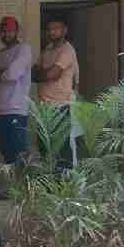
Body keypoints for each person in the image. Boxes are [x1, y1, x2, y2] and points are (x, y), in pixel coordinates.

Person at [0, 15, 32, 165]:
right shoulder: (0, 54)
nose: (6, 34)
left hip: (17, 110)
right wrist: (4, 72)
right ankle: (12, 181)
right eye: (3, 31)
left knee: (18, 154)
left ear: (17, 32)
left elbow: (12, 74)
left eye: (10, 31)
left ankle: (22, 181)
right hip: (0, 111)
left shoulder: (23, 49)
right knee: (6, 153)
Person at [32, 19, 80, 170]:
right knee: (45, 147)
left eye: (56, 28)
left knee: (61, 149)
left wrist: (44, 73)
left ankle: (66, 181)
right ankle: (51, 180)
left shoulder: (67, 50)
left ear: (64, 30)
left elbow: (52, 74)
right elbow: (33, 73)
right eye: (49, 29)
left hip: (60, 107)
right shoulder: (47, 49)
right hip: (44, 107)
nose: (52, 32)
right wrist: (45, 74)